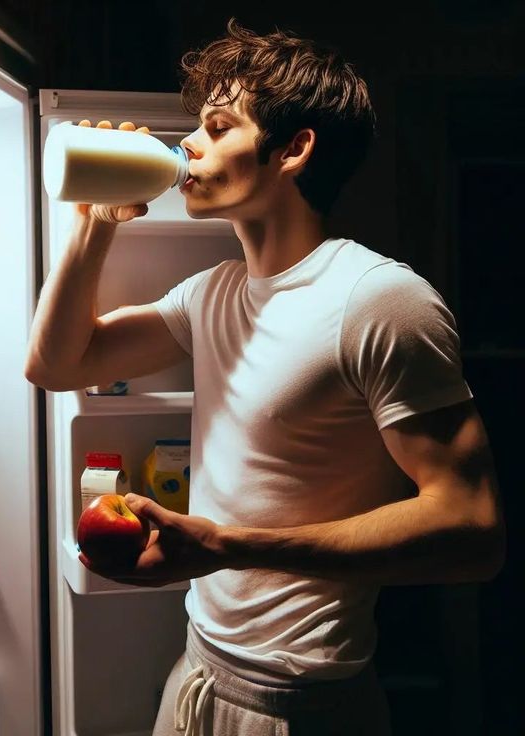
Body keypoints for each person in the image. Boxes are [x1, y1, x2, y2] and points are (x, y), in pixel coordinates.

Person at [25, 19, 505, 736]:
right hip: (195, 672)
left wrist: (229, 545)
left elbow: (471, 528)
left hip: (302, 702)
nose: (189, 143)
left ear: (294, 148)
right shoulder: (212, 292)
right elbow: (58, 364)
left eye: (218, 127)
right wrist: (94, 226)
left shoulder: (378, 299)